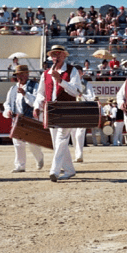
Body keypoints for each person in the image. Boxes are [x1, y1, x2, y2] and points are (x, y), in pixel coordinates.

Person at [34, 45, 81, 182]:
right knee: (58, 142)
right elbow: (41, 93)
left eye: (59, 54)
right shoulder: (46, 73)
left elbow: (76, 91)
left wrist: (61, 81)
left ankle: (54, 170)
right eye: (54, 54)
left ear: (64, 56)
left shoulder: (72, 71)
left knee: (61, 139)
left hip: (67, 109)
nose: (56, 56)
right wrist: (37, 106)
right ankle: (69, 169)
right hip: (51, 110)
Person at [3, 65, 44, 172]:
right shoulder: (12, 89)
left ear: (27, 74)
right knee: (17, 143)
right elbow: (7, 103)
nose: (20, 77)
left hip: (30, 119)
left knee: (32, 143)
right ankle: (20, 166)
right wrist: (8, 111)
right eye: (18, 75)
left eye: (22, 74)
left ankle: (39, 158)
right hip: (17, 120)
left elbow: (36, 102)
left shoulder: (35, 86)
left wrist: (25, 94)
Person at [70, 65, 96, 162]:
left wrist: (82, 95)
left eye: (79, 72)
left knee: (79, 133)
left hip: (83, 109)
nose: (77, 74)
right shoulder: (70, 83)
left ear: (82, 73)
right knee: (73, 133)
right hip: (72, 110)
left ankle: (79, 154)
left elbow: (92, 97)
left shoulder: (86, 84)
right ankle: (77, 154)